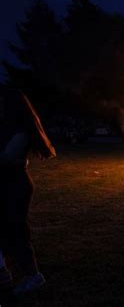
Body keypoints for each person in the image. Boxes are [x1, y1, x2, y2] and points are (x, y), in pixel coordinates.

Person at [0, 87, 56, 295]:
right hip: (6, 183)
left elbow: (6, 158)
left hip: (16, 185)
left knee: (16, 231)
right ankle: (3, 271)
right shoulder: (5, 126)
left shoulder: (21, 129)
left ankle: (33, 276)